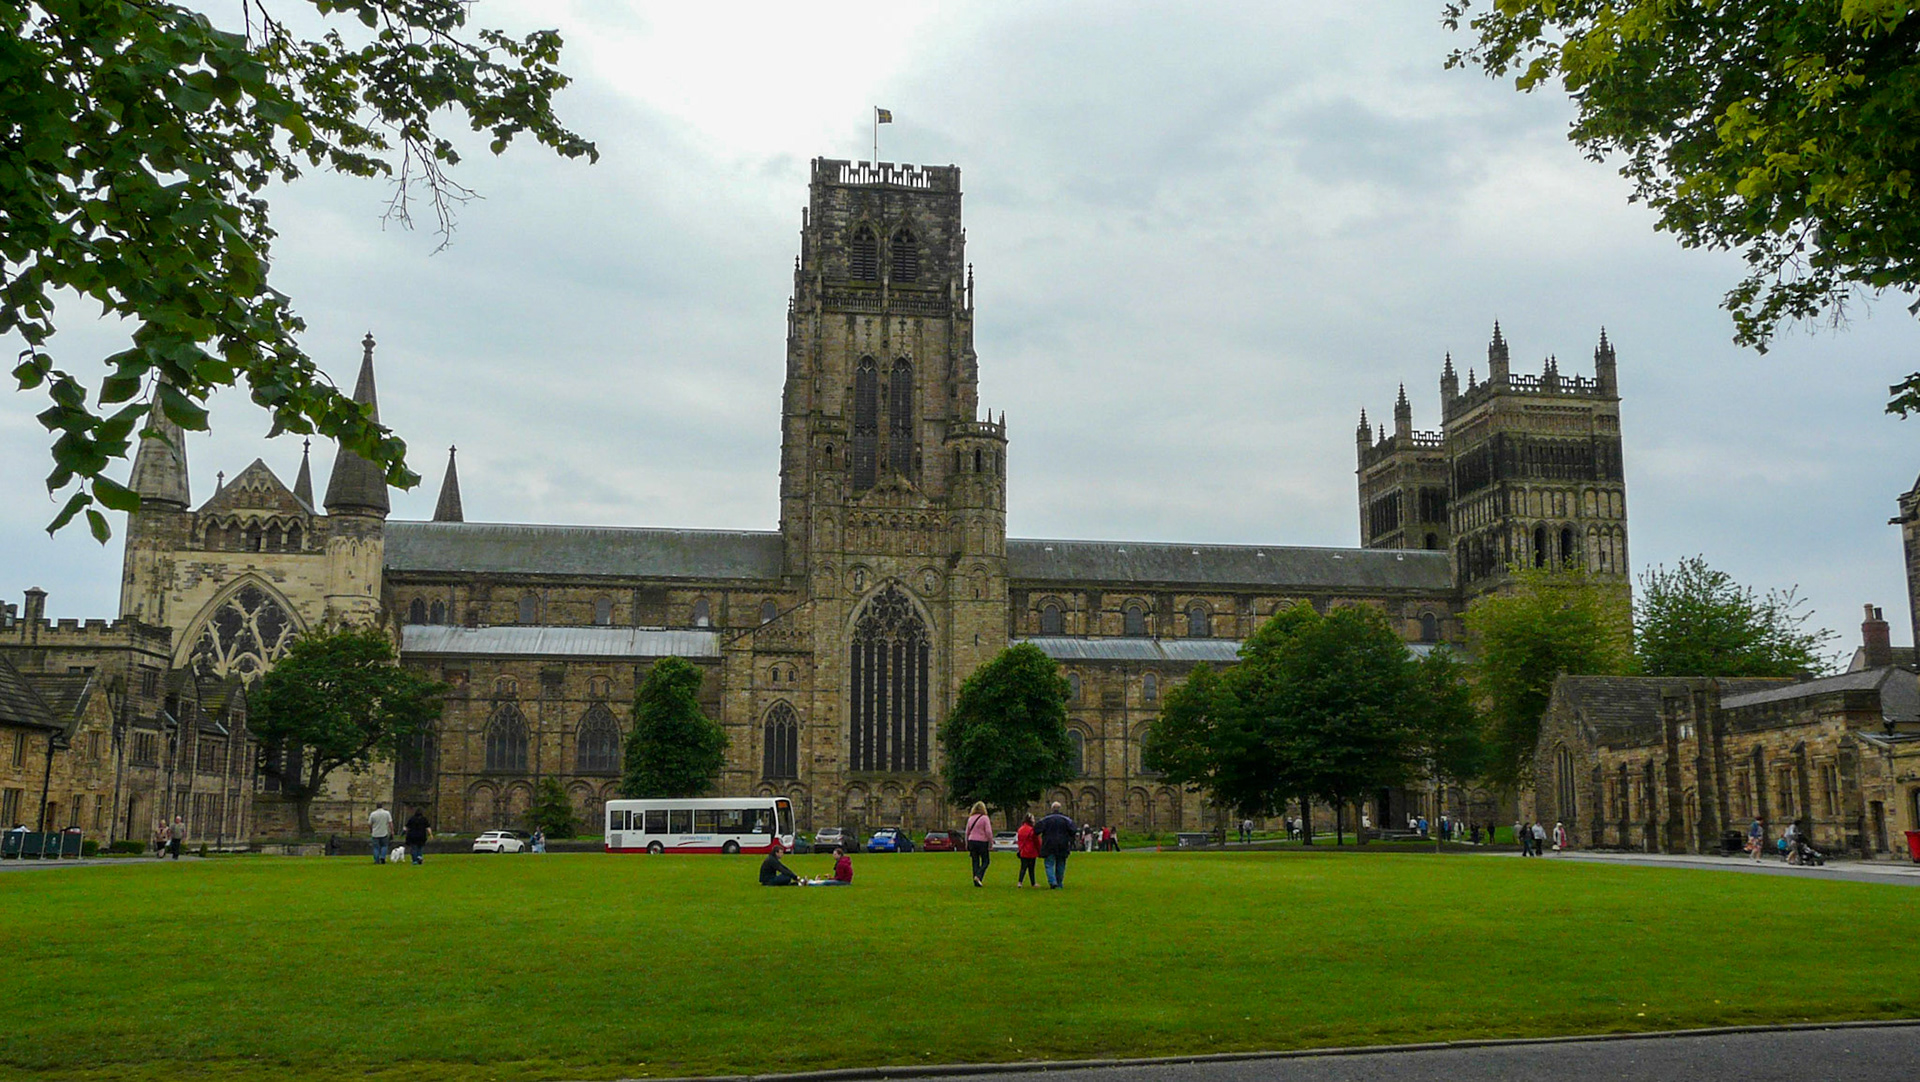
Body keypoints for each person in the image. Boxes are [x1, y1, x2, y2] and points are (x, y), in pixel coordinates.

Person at [1036, 801, 1076, 889]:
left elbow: (1037, 830)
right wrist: (1069, 838)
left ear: (1052, 809)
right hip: (1063, 844)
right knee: (1061, 863)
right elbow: (1073, 830)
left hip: (1049, 844)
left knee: (1049, 863)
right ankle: (1059, 883)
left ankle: (1052, 882)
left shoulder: (1046, 819)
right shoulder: (1066, 820)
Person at [965, 801, 993, 887]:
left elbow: (967, 832)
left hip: (972, 841)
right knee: (986, 861)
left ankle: (976, 881)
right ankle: (978, 876)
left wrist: (966, 843)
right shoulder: (985, 818)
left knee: (975, 861)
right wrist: (990, 842)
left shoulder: (971, 818)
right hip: (982, 842)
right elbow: (988, 831)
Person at [1015, 814, 1039, 886]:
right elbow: (1036, 841)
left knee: (1023, 867)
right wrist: (1039, 850)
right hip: (1031, 851)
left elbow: (1019, 840)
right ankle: (1033, 882)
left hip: (1023, 851)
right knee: (1031, 868)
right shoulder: (1032, 830)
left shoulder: (1020, 829)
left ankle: (1020, 882)